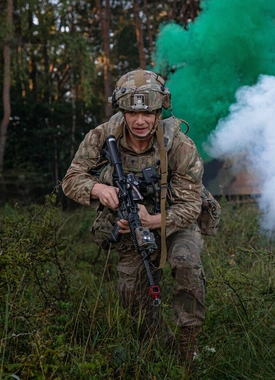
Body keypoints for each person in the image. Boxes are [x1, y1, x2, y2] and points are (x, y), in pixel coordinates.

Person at [62, 69, 206, 361]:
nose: (140, 121)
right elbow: (71, 179)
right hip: (129, 223)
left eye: (148, 113)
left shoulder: (178, 145)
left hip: (175, 219)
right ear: (122, 111)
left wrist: (154, 221)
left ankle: (188, 347)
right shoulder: (103, 136)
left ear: (158, 110)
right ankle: (162, 347)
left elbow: (192, 206)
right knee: (131, 294)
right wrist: (98, 189)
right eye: (131, 113)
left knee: (186, 264)